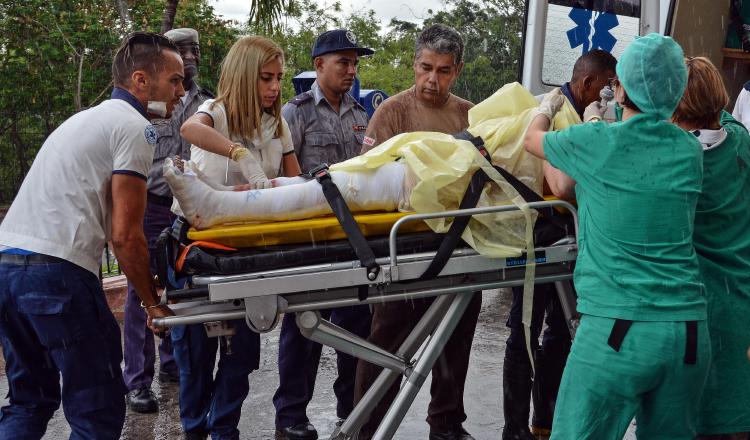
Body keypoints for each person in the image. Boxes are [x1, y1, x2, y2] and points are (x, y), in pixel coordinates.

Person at [524, 33, 709, 439]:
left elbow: (532, 142)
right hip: (688, 334)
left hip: (618, 331)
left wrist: (545, 107)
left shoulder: (596, 141)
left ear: (620, 89)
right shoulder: (689, 151)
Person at [0, 32, 182, 439]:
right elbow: (126, 236)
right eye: (174, 80)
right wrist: (153, 305)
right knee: (97, 410)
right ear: (140, 80)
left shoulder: (85, 119)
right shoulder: (136, 127)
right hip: (56, 273)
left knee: (29, 401)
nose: (181, 91)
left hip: (7, 267)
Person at [170, 35, 301, 440]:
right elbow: (192, 129)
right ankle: (194, 431)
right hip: (199, 250)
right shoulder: (216, 112)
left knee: (242, 355)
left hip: (250, 255)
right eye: (266, 78)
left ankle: (224, 430)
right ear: (244, 76)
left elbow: (296, 181)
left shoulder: (276, 123)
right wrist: (239, 154)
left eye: (278, 78)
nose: (275, 88)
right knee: (196, 355)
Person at [356, 24, 478, 440]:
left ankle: (446, 424)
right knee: (384, 342)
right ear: (414, 63)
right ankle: (366, 425)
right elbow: (365, 181)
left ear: (457, 70)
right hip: (402, 248)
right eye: (426, 67)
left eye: (443, 70)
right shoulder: (392, 111)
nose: (432, 79)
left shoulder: (468, 114)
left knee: (456, 340)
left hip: (460, 244)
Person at [502, 49, 616, 440]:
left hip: (567, 239)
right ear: (586, 83)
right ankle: (514, 429)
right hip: (536, 237)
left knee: (561, 335)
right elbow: (561, 185)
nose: (608, 97)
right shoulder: (554, 113)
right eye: (604, 89)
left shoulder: (583, 116)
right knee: (524, 331)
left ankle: (544, 423)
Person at [272, 29, 373, 440]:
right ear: (319, 65)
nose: (351, 70)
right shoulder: (294, 113)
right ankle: (291, 415)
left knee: (354, 329)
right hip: (310, 240)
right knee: (304, 329)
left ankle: (351, 409)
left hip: (354, 241)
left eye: (354, 63)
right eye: (342, 62)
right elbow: (283, 177)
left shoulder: (361, 113)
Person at [122, 26, 213, 414]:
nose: (190, 57)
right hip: (152, 202)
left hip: (194, 206)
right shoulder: (148, 101)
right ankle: (137, 380)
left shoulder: (208, 102)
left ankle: (174, 364)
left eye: (194, 50)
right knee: (141, 287)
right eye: (181, 51)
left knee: (185, 282)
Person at [672, 56, 750, 440]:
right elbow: (723, 120)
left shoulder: (675, 158)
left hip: (699, 308)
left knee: (700, 416)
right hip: (741, 301)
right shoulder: (738, 139)